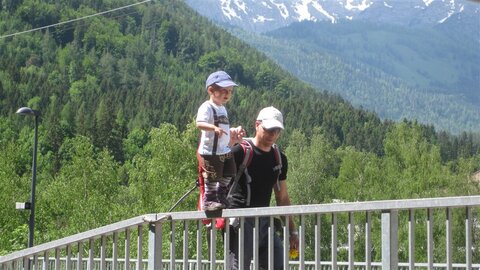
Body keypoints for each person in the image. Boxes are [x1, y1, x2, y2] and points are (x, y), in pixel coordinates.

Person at [227, 106, 299, 270]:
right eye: (269, 129)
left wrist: (292, 232)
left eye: (277, 130)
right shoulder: (240, 151)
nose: (273, 134)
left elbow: (283, 198)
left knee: (277, 265)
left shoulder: (279, 158)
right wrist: (227, 145)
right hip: (239, 221)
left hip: (265, 221)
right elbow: (214, 175)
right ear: (257, 125)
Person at [196, 70, 246, 211]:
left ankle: (220, 194)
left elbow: (224, 129)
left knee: (230, 172)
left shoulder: (222, 109)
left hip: (224, 149)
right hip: (210, 151)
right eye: (224, 91)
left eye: (230, 91)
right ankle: (209, 200)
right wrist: (213, 128)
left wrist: (234, 132)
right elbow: (199, 123)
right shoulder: (207, 107)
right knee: (212, 176)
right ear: (211, 90)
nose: (228, 94)